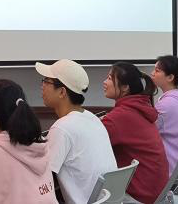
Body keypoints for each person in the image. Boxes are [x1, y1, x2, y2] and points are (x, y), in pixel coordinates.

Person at [36, 59, 117, 204]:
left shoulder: (62, 128)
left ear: (62, 92)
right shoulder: (92, 118)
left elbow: (43, 176)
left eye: (46, 81)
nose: (42, 86)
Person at [102, 62, 169, 204]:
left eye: (109, 78)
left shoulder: (120, 116)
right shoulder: (140, 106)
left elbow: (90, 144)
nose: (105, 82)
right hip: (158, 191)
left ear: (125, 87)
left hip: (141, 196)